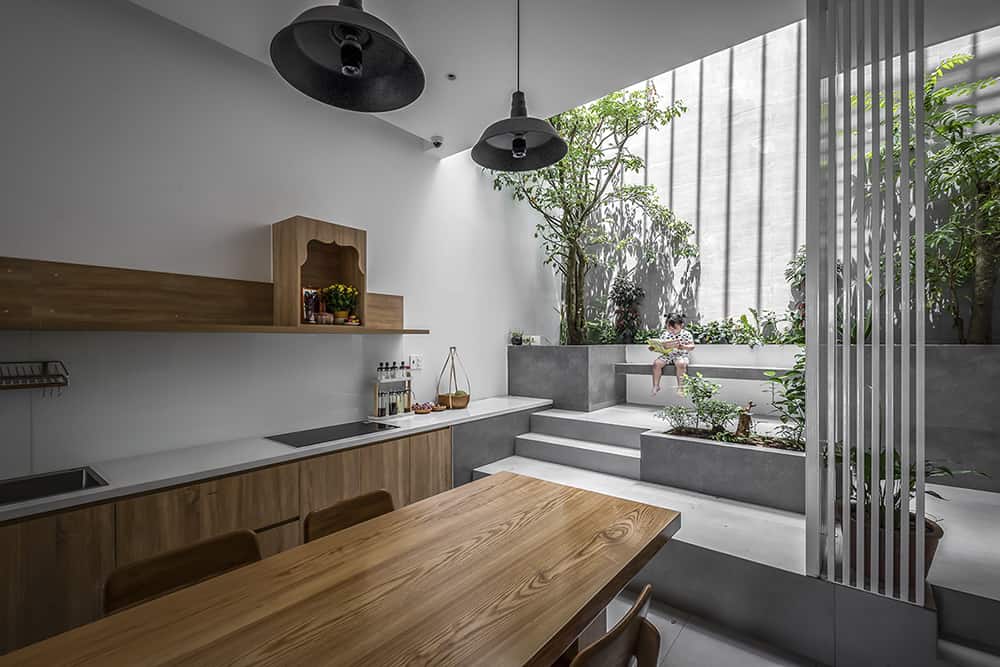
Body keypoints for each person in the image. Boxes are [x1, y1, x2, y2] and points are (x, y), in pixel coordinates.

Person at [648, 312, 695, 394]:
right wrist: (654, 347)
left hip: (681, 355)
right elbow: (662, 344)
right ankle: (656, 385)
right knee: (656, 364)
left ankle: (681, 387)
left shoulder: (686, 334)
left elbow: (692, 346)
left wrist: (683, 346)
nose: (671, 330)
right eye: (669, 328)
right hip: (667, 355)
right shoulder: (665, 334)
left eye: (674, 328)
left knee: (680, 364)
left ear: (681, 325)